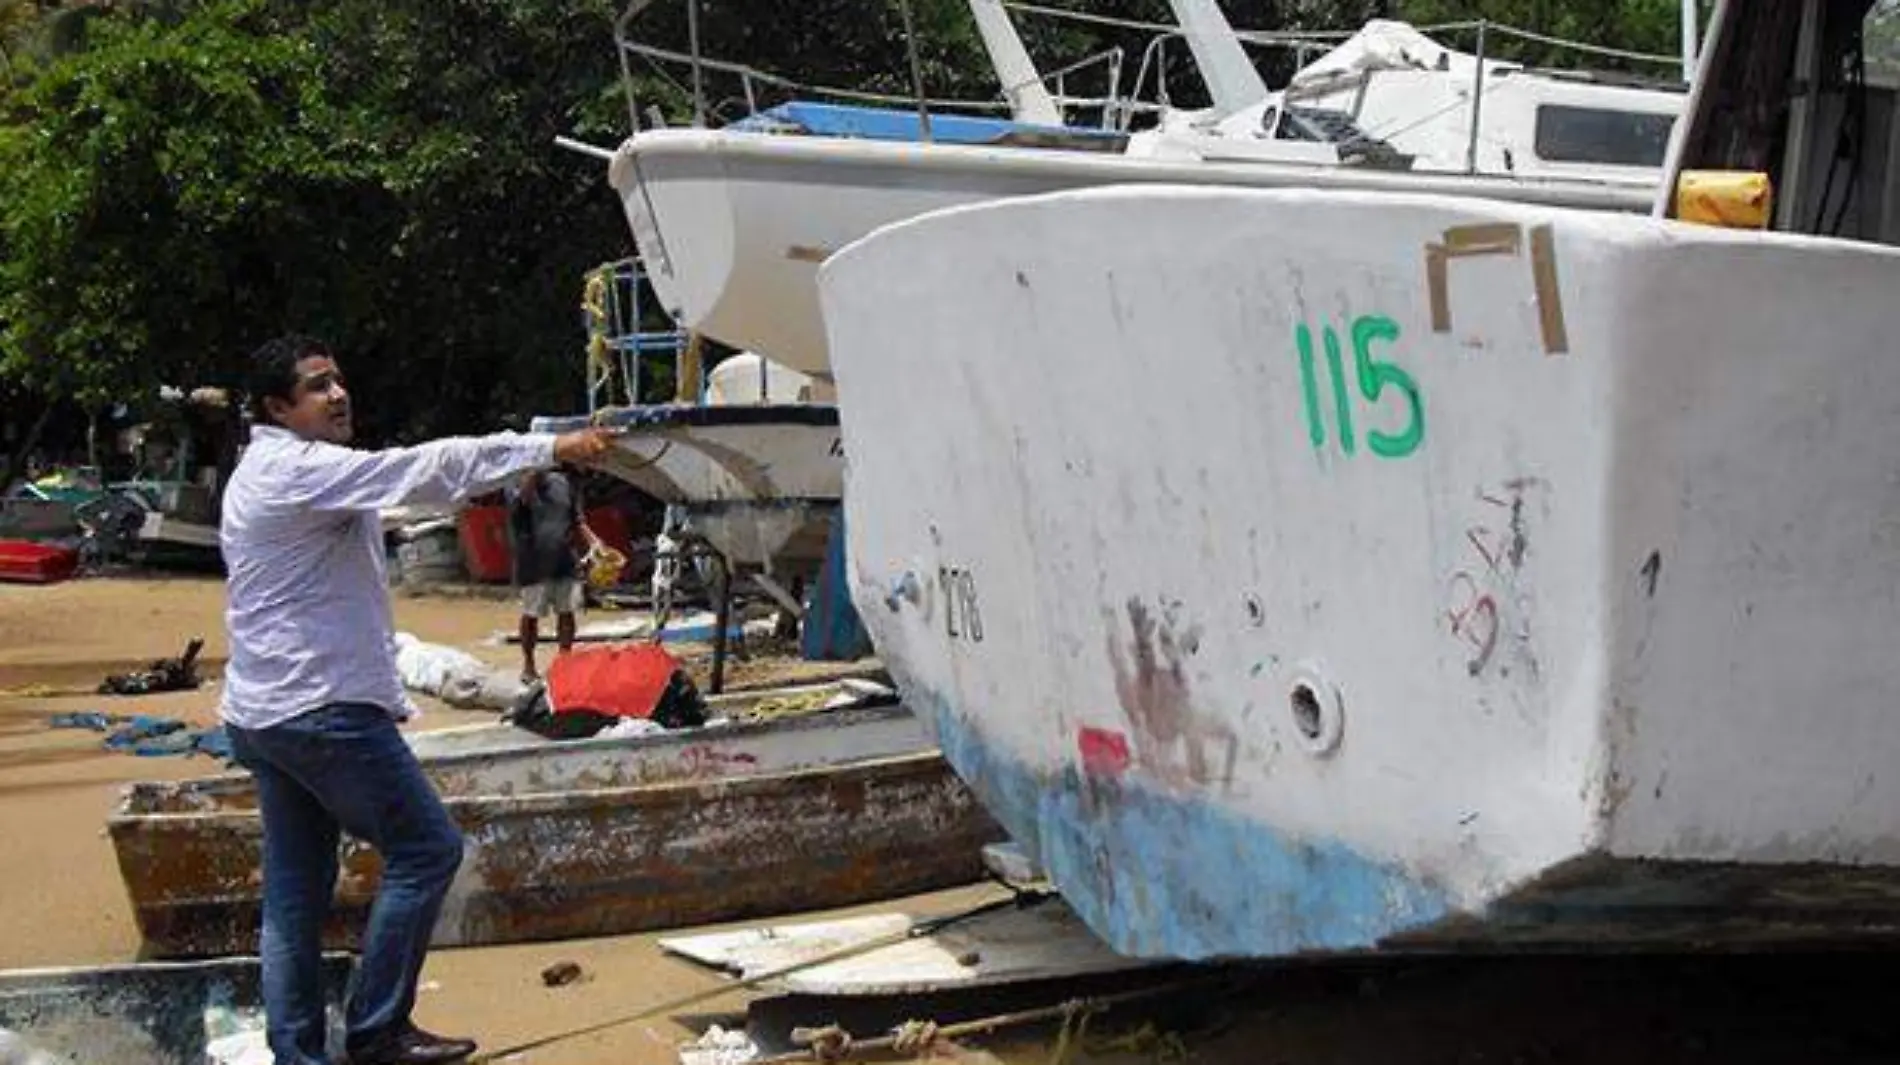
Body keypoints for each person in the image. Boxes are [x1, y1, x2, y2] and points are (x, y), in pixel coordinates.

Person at [218, 334, 614, 1065]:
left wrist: (513, 467)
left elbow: (417, 488)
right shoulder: (299, 468)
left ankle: (297, 1052)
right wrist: (547, 447)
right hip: (319, 706)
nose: (338, 394)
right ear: (278, 408)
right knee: (428, 848)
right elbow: (422, 467)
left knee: (295, 892)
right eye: (316, 386)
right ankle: (376, 1031)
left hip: (263, 711)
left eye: (338, 379)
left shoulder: (266, 471)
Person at [507, 466, 601, 683]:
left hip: (564, 560)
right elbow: (515, 513)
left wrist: (594, 542)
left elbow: (577, 520)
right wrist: (526, 488)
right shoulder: (515, 483)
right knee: (531, 615)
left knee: (567, 613)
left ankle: (564, 660)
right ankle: (529, 665)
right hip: (533, 564)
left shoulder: (564, 483)